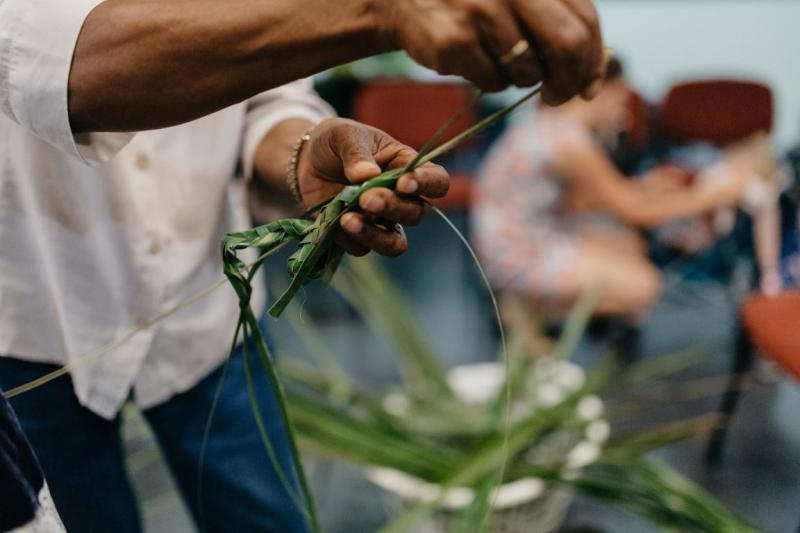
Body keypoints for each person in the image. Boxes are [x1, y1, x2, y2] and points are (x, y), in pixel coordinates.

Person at [0, 0, 606, 531]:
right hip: (31, 321)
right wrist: (382, 11)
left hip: (209, 320)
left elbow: (267, 98)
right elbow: (57, 63)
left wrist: (303, 147)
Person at [473, 58, 778, 321]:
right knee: (646, 287)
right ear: (598, 91)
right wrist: (714, 195)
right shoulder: (569, 143)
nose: (624, 116)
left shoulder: (549, 125)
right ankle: (525, 309)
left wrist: (641, 187)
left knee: (630, 245)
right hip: (515, 254)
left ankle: (528, 305)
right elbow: (635, 211)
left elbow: (583, 200)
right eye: (619, 101)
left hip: (520, 233)